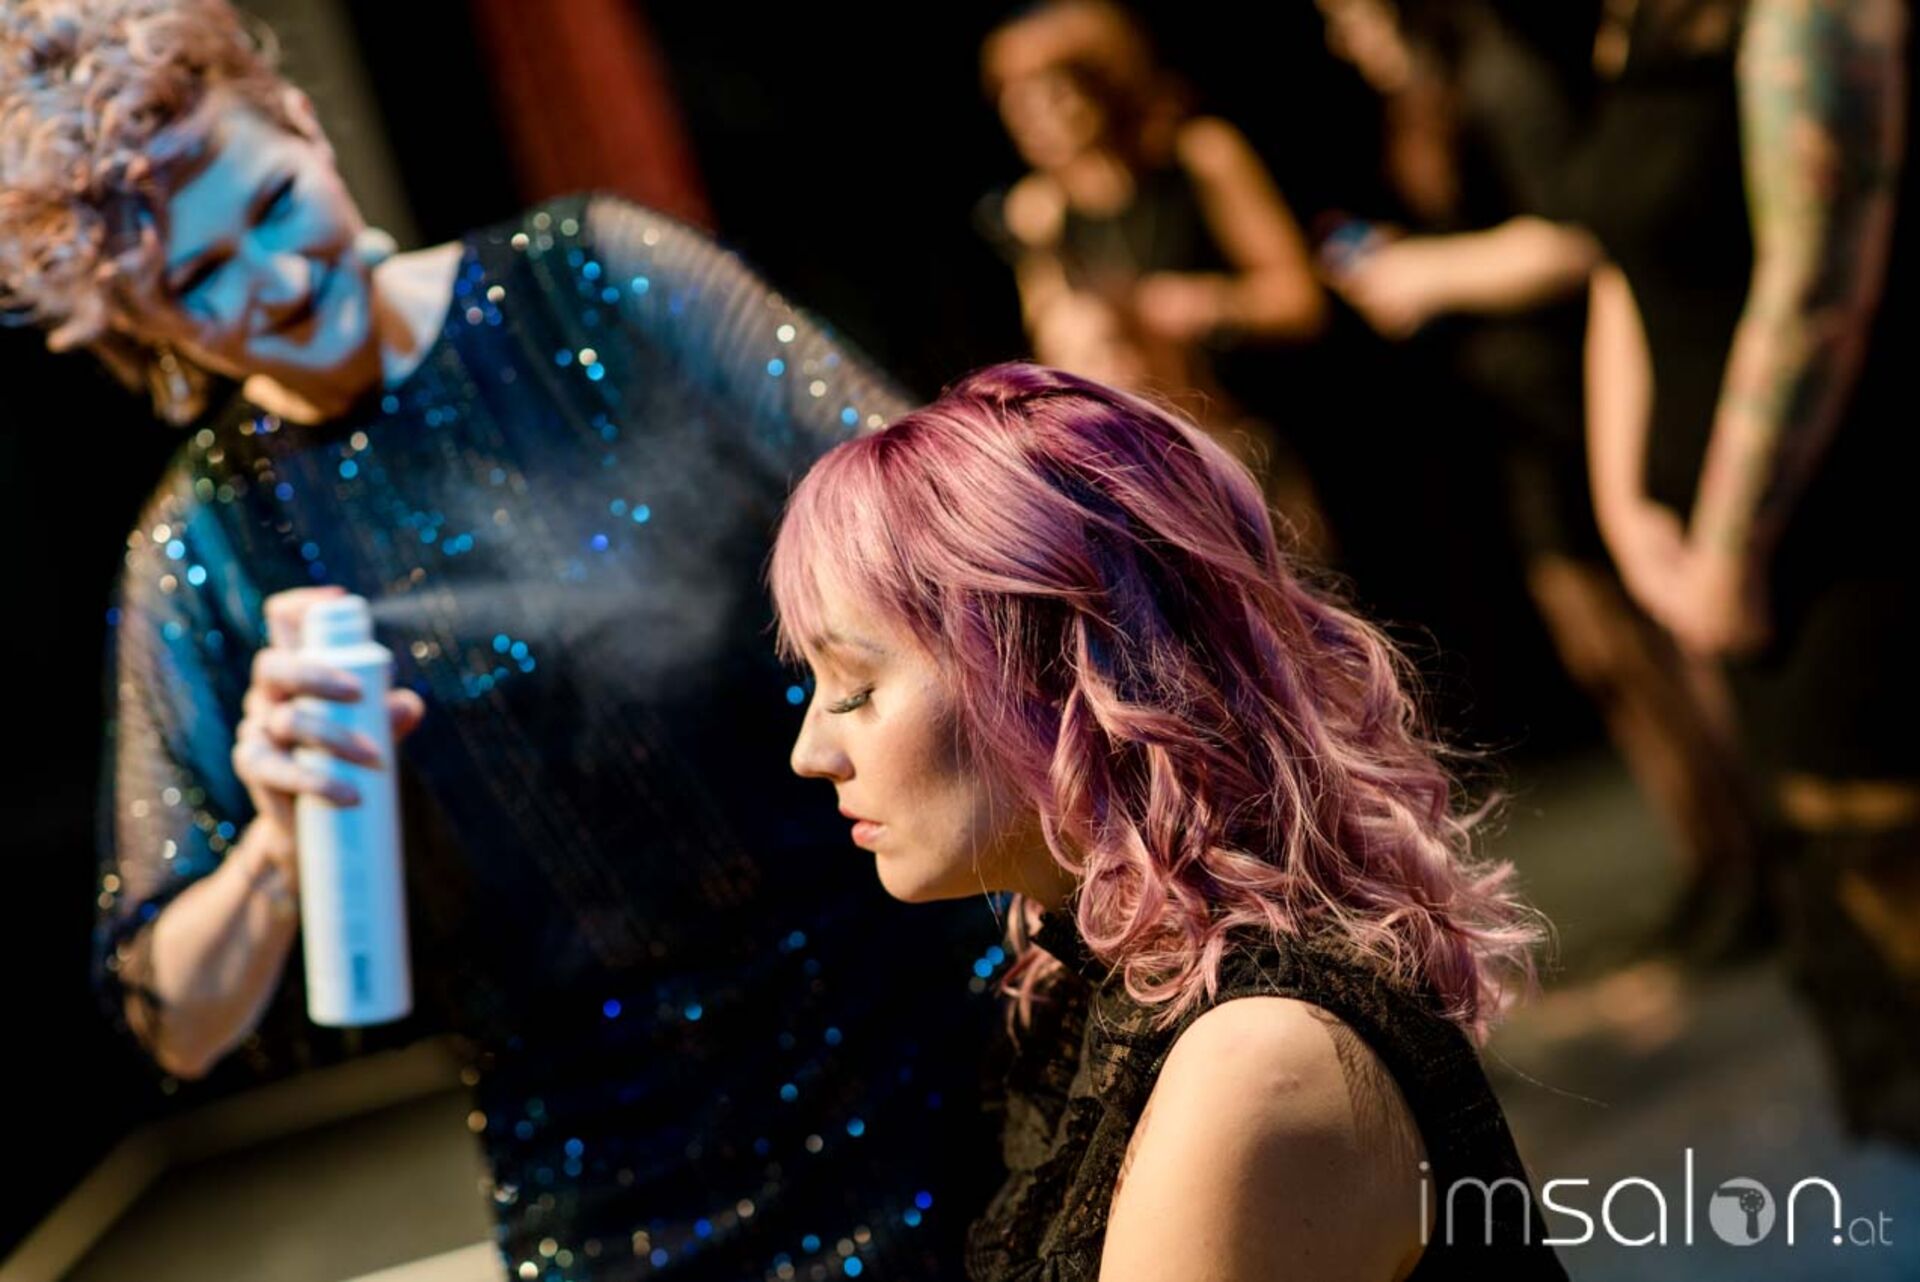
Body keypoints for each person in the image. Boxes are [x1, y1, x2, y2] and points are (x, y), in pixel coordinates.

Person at [0, 1, 1000, 1276]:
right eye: (201, 279)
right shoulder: (205, 550)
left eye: (275, 204)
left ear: (305, 124)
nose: (281, 280)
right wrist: (277, 842)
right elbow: (176, 1019)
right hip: (618, 1195)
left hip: (937, 1048)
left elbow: (956, 547)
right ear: (141, 326)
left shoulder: (594, 281)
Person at [771, 363, 1568, 1280]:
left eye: (856, 688)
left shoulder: (1254, 1062)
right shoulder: (1088, 991)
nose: (809, 752)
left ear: (1057, 669)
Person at [1315, 0, 1766, 960]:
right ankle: (1716, 861)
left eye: (1345, 12)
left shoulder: (1503, 72)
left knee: (1656, 643)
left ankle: (1759, 865)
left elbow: (1584, 235)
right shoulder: (1430, 92)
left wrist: (1432, 273)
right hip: (1519, 411)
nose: (1339, 35)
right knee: (1605, 653)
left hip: (1581, 395)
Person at [1574, 0, 1920, 1142]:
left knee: (1890, 909)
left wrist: (1728, 549)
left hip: (1841, 541)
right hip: (1726, 554)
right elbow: (1618, 258)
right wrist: (1627, 507)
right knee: (1837, 936)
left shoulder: (1815, 14)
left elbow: (1817, 284)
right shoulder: (1640, 21)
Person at [981, 0, 1333, 559]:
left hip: (1246, 431)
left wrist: (1202, 304)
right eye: (1015, 104)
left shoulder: (1199, 157)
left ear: (1103, 84)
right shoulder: (1039, 211)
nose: (1034, 120)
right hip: (1151, 464)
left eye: (1053, 95)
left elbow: (1300, 301)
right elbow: (1055, 354)